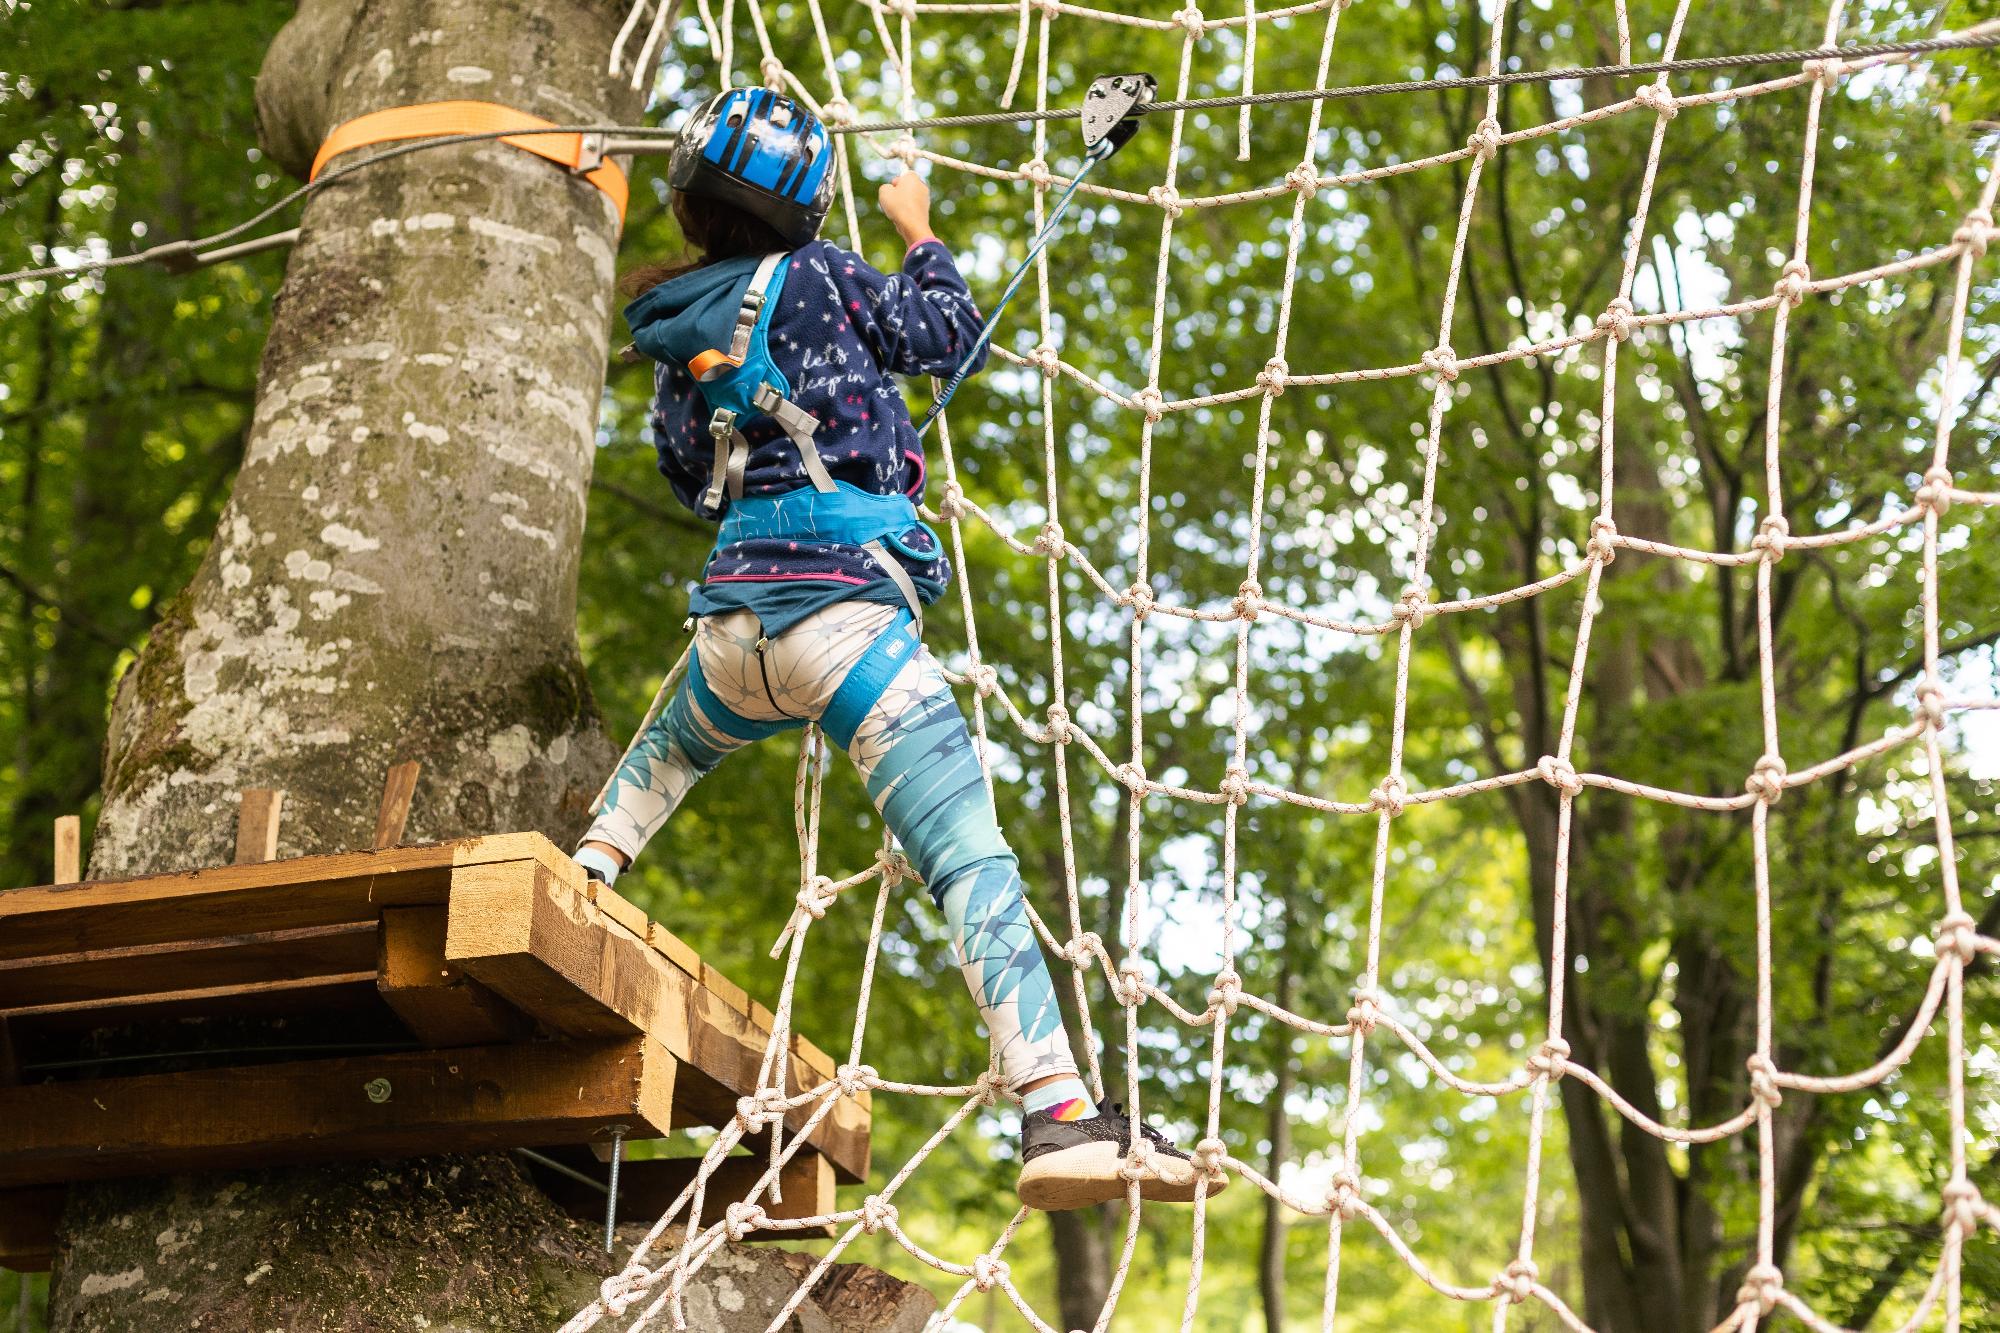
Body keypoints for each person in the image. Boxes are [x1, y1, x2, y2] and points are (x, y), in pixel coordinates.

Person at [574, 87, 1222, 1211]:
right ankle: (1057, 1112)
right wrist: (920, 228)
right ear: (806, 208)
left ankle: (586, 871)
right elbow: (944, 336)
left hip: (732, 636)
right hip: (847, 631)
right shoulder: (822, 276)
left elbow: (690, 477)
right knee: (966, 856)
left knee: (659, 762)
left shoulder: (675, 328)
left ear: (686, 210)